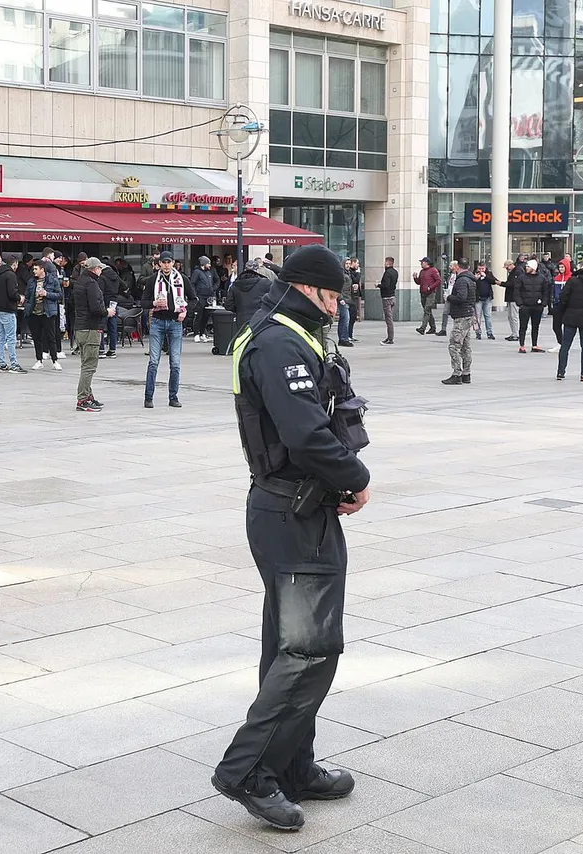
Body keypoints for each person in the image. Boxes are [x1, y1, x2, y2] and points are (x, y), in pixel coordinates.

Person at [214, 244, 371, 832]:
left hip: (292, 507)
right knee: (309, 648)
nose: (337, 307)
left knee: (290, 643)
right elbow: (304, 434)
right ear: (311, 289)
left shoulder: (284, 331)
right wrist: (355, 477)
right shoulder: (279, 342)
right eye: (334, 296)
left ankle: (293, 765)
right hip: (293, 509)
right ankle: (249, 771)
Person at [140, 251, 187, 409]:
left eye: (169, 262)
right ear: (159, 264)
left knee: (175, 363)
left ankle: (173, 397)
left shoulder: (182, 279)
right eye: (163, 262)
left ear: (173, 263)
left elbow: (194, 299)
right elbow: (143, 302)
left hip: (175, 322)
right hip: (158, 322)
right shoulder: (153, 279)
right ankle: (148, 397)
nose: (166, 265)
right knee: (153, 362)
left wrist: (185, 311)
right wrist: (154, 303)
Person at [74, 258, 112, 411]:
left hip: (80, 327)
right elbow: (96, 308)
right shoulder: (91, 284)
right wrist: (107, 312)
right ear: (95, 269)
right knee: (89, 366)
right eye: (100, 268)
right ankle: (83, 399)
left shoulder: (79, 282)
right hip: (91, 328)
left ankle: (88, 395)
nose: (101, 271)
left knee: (85, 364)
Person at [442, 258, 478, 385]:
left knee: (454, 345)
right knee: (465, 346)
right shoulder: (471, 279)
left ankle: (457, 373)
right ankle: (466, 373)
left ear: (458, 267)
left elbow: (461, 297)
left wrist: (449, 297)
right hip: (468, 314)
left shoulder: (462, 280)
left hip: (462, 316)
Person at [26, 260, 62, 371]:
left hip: (48, 313)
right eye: (33, 269)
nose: (34, 271)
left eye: (36, 269)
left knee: (51, 337)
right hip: (34, 313)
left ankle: (55, 360)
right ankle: (39, 360)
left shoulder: (52, 280)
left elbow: (59, 295)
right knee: (37, 338)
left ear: (42, 269)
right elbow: (28, 296)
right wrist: (27, 308)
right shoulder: (31, 281)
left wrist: (47, 294)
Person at [0, 252, 25, 373]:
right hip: (8, 309)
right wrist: (19, 298)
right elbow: (12, 293)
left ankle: (1, 363)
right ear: (14, 264)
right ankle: (14, 364)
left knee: (0, 338)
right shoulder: (10, 275)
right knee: (11, 338)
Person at [225, 259, 270, 334]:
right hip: (260, 320)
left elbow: (228, 305)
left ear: (245, 269)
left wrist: (239, 310)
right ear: (257, 270)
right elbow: (274, 300)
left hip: (242, 321)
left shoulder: (236, 284)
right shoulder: (265, 283)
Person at [516, 258, 551, 353]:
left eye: (528, 266)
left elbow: (546, 291)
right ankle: (522, 345)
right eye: (526, 266)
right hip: (525, 306)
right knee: (523, 326)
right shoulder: (521, 277)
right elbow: (517, 291)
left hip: (537, 306)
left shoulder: (542, 278)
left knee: (536, 326)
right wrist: (520, 303)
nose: (526, 268)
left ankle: (534, 345)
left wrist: (543, 303)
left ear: (533, 267)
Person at [191, 256, 216, 343]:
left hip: (208, 297)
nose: (209, 265)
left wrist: (213, 289)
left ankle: (202, 333)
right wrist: (195, 295)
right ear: (203, 264)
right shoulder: (197, 272)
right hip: (200, 296)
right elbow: (193, 284)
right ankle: (196, 334)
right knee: (199, 315)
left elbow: (215, 281)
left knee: (206, 316)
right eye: (208, 263)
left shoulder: (209, 272)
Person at [413, 258, 441, 335]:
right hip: (423, 293)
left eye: (422, 262)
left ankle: (422, 328)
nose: (421, 264)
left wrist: (430, 287)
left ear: (427, 263)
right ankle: (433, 327)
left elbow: (438, 280)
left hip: (431, 293)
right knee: (428, 311)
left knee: (427, 310)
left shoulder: (433, 270)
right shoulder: (422, 271)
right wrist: (415, 278)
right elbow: (419, 282)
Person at [378, 257, 397, 345]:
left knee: (389, 319)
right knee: (390, 318)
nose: (384, 264)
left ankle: (390, 338)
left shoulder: (387, 273)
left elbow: (386, 285)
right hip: (393, 296)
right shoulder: (395, 272)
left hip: (387, 297)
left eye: (385, 262)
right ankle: (389, 338)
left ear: (388, 263)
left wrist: (378, 285)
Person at [500, 260, 520, 341]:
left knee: (514, 316)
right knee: (510, 316)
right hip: (510, 297)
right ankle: (514, 332)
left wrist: (501, 283)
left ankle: (516, 334)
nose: (506, 269)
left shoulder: (517, 272)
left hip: (514, 297)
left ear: (511, 265)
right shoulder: (512, 272)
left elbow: (513, 284)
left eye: (507, 267)